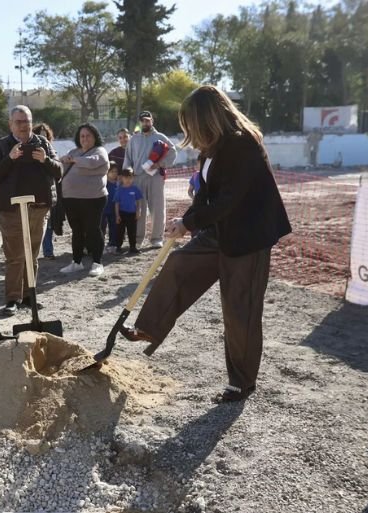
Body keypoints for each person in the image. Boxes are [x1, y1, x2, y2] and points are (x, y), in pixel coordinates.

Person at [119, 85, 292, 403]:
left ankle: (241, 382)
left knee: (239, 310)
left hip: (248, 237)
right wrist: (184, 220)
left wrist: (190, 223)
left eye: (190, 124)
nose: (188, 132)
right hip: (220, 230)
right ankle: (150, 326)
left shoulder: (241, 145)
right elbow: (205, 196)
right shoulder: (212, 149)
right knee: (179, 264)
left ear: (206, 119)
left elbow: (229, 198)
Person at [0, 106, 62, 316]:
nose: (23, 126)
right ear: (11, 124)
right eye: (19, 122)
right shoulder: (3, 145)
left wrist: (45, 160)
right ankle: (13, 298)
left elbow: (59, 171)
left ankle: (29, 296)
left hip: (38, 209)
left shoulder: (43, 143)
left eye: (27, 121)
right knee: (14, 256)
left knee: (32, 255)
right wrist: (10, 158)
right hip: (11, 211)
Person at [59, 123, 110, 277]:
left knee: (93, 229)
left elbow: (93, 162)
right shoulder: (74, 151)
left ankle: (97, 262)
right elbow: (62, 165)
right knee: (77, 231)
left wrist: (74, 160)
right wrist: (64, 159)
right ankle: (76, 262)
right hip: (70, 198)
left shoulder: (100, 151)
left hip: (93, 198)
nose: (85, 138)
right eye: (82, 136)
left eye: (88, 135)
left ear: (95, 137)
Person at [122, 111, 177, 249]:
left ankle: (156, 238)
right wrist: (127, 174)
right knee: (138, 208)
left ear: (152, 121)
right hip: (137, 177)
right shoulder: (134, 139)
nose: (145, 123)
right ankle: (138, 238)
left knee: (157, 207)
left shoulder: (160, 137)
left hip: (155, 177)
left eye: (148, 120)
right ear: (139, 123)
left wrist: (159, 164)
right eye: (143, 121)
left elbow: (173, 152)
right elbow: (128, 158)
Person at [33, 123, 61, 259]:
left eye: (45, 135)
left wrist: (46, 160)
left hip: (49, 193)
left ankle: (48, 251)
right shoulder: (31, 150)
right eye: (39, 134)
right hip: (34, 194)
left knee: (48, 225)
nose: (42, 138)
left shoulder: (51, 151)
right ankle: (35, 252)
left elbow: (57, 170)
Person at [113, 167, 143, 255]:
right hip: (122, 213)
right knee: (120, 231)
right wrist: (117, 215)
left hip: (132, 214)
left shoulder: (135, 189)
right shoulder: (119, 190)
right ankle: (118, 247)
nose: (128, 180)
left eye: (130, 177)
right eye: (126, 177)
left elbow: (138, 201)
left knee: (132, 231)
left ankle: (132, 247)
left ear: (133, 178)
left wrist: (138, 211)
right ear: (122, 178)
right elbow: (116, 203)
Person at [102, 162, 121, 252]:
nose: (114, 173)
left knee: (113, 227)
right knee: (102, 227)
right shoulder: (104, 183)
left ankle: (112, 243)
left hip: (114, 210)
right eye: (112, 171)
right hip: (104, 209)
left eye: (116, 171)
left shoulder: (119, 183)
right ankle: (101, 244)